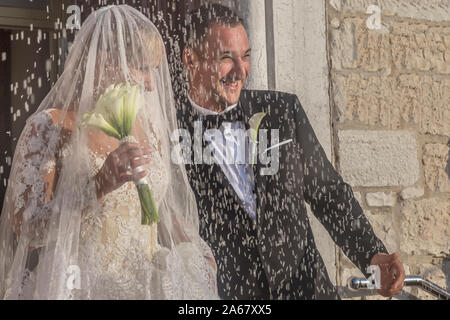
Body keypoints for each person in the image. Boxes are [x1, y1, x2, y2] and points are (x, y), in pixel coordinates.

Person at [177, 3, 406, 300]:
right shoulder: (169, 132)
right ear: (190, 59)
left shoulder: (282, 112)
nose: (240, 71)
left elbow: (329, 193)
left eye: (245, 56)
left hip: (309, 292)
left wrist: (372, 257)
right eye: (226, 58)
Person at [0, 5, 218, 300]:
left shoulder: (148, 125)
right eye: (142, 68)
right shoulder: (49, 127)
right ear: (103, 61)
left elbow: (162, 204)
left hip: (148, 287)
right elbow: (28, 228)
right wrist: (98, 186)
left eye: (154, 70)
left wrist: (195, 250)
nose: (151, 84)